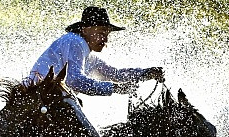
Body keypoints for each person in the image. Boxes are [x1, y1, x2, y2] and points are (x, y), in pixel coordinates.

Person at [26, 6, 164, 96]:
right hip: (38, 97)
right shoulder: (75, 41)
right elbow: (74, 81)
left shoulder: (88, 57)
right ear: (85, 30)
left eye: (107, 34)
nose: (105, 39)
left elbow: (115, 74)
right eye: (101, 32)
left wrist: (146, 74)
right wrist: (114, 88)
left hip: (45, 97)